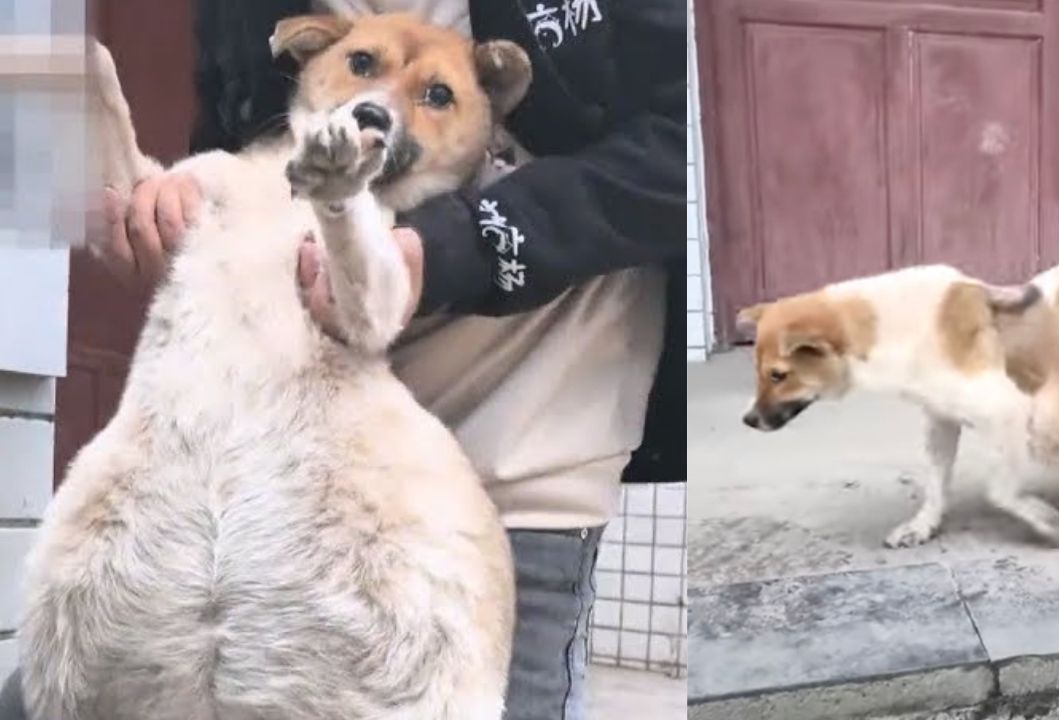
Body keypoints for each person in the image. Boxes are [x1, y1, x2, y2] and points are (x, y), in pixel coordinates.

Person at [0, 1, 683, 719]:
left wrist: (448, 246)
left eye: (436, 94)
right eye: (363, 67)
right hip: (229, 485)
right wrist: (156, 219)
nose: (381, 101)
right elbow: (221, 151)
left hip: (496, 475)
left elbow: (679, 147)